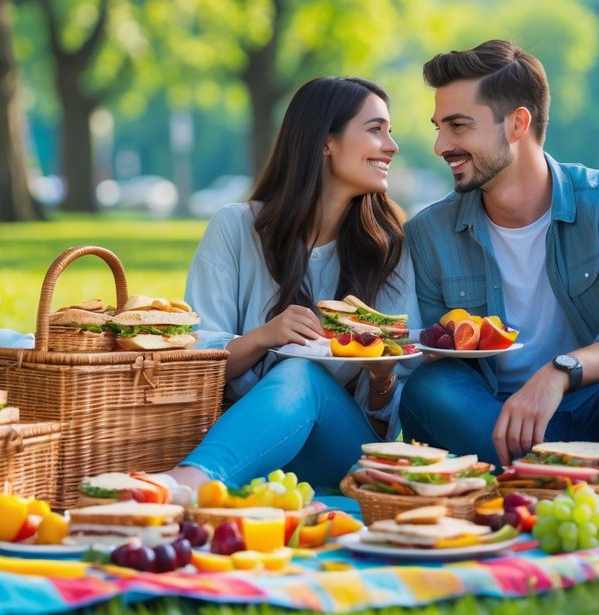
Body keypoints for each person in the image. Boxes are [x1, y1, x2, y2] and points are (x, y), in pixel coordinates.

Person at [397, 39, 599, 546]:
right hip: (493, 420)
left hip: (597, 405)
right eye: (439, 127)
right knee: (428, 391)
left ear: (517, 123)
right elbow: (435, 354)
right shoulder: (429, 233)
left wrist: (561, 371)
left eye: (458, 125)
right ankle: (579, 480)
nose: (441, 144)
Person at [159, 76, 422, 500]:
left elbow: (382, 429)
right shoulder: (235, 227)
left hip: (342, 455)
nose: (391, 145)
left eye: (389, 131)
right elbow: (194, 370)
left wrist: (381, 379)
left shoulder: (390, 248)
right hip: (242, 440)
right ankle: (192, 481)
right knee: (295, 368)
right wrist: (265, 337)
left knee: (303, 372)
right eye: (375, 130)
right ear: (325, 142)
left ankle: (185, 485)